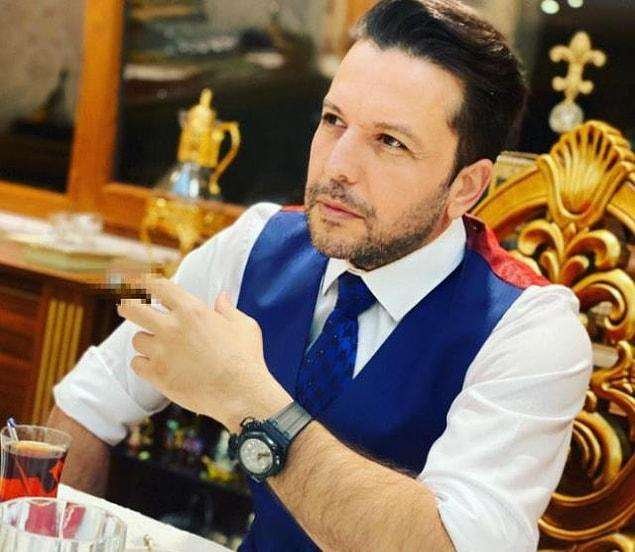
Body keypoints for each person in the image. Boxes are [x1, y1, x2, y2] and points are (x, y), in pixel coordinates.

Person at [49, 0, 592, 550]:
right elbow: (87, 405)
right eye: (334, 121)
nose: (337, 167)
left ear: (465, 188)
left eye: (390, 142)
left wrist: (248, 398)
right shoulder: (254, 244)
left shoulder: (528, 330)